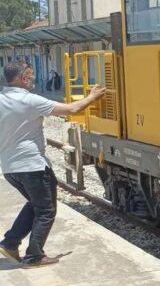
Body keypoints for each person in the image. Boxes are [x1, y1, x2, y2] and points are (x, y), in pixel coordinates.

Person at [0, 62, 105, 267]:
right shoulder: (29, 100)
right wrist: (93, 97)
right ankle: (34, 256)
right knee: (46, 210)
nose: (33, 79)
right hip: (32, 166)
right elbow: (72, 109)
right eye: (30, 76)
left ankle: (10, 242)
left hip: (10, 168)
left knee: (36, 203)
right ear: (23, 78)